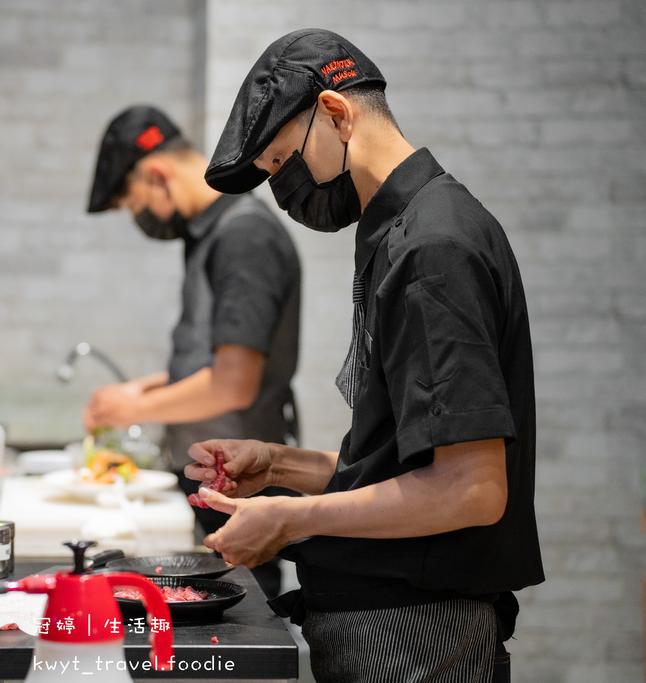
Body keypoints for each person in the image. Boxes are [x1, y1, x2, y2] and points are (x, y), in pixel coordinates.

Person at [186, 29, 544, 682]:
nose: (286, 191)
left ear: (335, 112)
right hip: (384, 624)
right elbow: (405, 465)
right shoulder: (398, 233)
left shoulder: (434, 249)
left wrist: (290, 519)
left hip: (419, 635)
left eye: (281, 162)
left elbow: (471, 489)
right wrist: (280, 466)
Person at [84, 105, 302, 598]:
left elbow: (234, 381)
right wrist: (143, 387)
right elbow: (211, 357)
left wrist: (133, 408)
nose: (144, 217)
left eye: (136, 201)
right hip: (213, 478)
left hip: (240, 484)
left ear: (159, 175)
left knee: (240, 629)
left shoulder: (243, 235)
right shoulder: (209, 233)